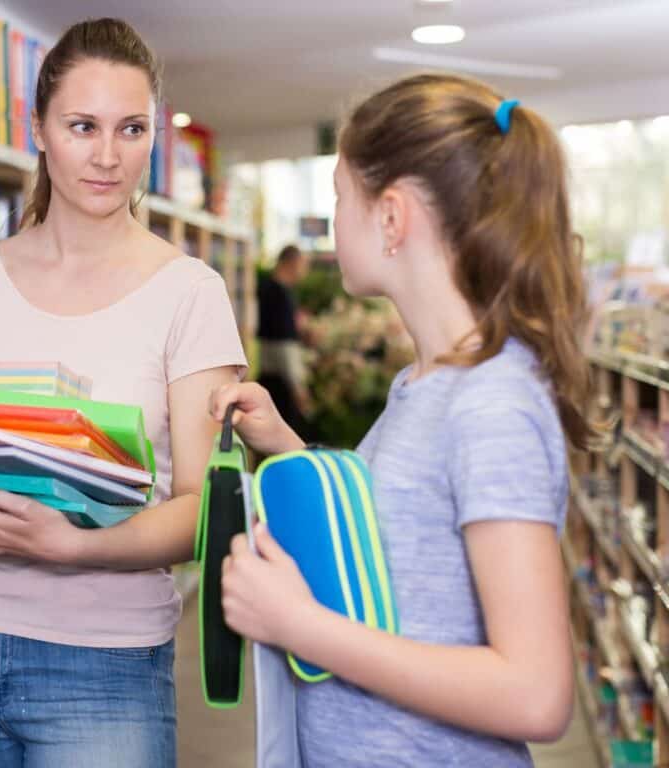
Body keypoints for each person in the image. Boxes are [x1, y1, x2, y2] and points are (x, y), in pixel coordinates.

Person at [0, 18, 247, 768]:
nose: (106, 156)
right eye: (81, 126)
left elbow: (202, 508)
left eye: (131, 129)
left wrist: (74, 545)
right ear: (38, 129)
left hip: (104, 666)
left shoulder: (191, 293)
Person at [210, 73, 591, 766]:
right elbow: (399, 548)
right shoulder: (424, 384)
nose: (332, 222)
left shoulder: (491, 403)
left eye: (338, 199)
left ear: (390, 216)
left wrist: (300, 626)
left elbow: (536, 692)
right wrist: (286, 447)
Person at [257, 244, 312, 440]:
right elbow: (283, 346)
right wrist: (298, 387)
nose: (305, 271)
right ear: (292, 263)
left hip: (268, 375)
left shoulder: (268, 289)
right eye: (304, 265)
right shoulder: (279, 296)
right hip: (280, 382)